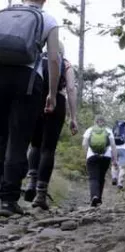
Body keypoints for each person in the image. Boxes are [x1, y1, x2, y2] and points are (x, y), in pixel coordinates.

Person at [0, 0, 60, 215]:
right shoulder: (48, 19)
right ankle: (7, 201)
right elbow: (53, 59)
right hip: (27, 81)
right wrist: (52, 94)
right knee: (17, 141)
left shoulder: (4, 13)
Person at [24, 41, 78, 210]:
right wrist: (73, 117)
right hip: (57, 102)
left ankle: (31, 183)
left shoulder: (38, 59)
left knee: (35, 145)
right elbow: (70, 88)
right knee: (48, 149)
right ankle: (40, 194)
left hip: (35, 100)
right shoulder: (66, 63)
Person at [83, 115, 118, 207]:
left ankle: (94, 196)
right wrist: (115, 159)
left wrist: (86, 154)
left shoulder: (90, 130)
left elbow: (84, 144)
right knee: (101, 177)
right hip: (106, 157)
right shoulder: (108, 130)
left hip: (92, 156)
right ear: (104, 121)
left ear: (95, 121)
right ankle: (99, 199)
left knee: (93, 177)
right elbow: (113, 146)